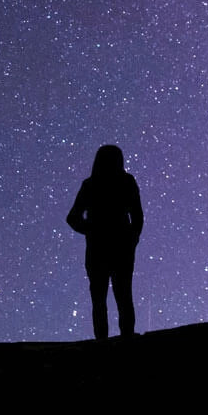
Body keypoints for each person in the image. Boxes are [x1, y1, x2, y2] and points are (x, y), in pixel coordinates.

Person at [66, 144, 143, 340]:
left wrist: (91, 230)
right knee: (119, 294)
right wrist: (131, 238)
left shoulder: (91, 184)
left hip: (104, 247)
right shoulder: (123, 181)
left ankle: (106, 341)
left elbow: (73, 218)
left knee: (107, 296)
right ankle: (123, 339)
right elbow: (138, 216)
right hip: (114, 246)